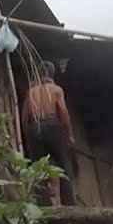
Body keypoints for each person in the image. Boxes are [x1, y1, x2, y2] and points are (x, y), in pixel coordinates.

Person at [21, 60, 76, 205]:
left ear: (38, 74)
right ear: (52, 74)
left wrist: (29, 138)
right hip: (53, 126)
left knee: (39, 172)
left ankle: (45, 213)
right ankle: (70, 209)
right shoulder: (56, 90)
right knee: (64, 167)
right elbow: (63, 112)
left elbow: (24, 118)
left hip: (35, 128)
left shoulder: (30, 92)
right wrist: (69, 134)